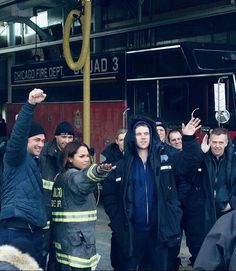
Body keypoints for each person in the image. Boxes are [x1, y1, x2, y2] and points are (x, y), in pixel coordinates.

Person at [102, 115, 202, 271]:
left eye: (146, 133)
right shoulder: (122, 166)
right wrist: (117, 218)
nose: (143, 137)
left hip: (158, 233)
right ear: (133, 137)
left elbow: (190, 164)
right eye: (139, 134)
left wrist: (189, 138)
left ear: (152, 135)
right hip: (132, 233)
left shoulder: (166, 159)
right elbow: (109, 194)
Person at [51, 141, 115, 271]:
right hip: (76, 248)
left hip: (66, 244)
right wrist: (99, 170)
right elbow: (84, 178)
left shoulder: (61, 176)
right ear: (69, 158)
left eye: (87, 156)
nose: (87, 159)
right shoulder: (72, 177)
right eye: (81, 156)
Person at [0, 88, 47, 267]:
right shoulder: (15, 157)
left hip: (32, 231)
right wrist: (30, 106)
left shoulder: (33, 162)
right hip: (15, 230)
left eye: (43, 141)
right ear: (26, 141)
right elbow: (18, 136)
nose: (41, 144)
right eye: (36, 140)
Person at [40, 121, 75, 270]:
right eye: (63, 136)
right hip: (44, 216)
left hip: (62, 216)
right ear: (56, 137)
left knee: (58, 256)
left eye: (70, 137)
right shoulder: (44, 153)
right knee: (40, 254)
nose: (66, 141)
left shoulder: (73, 152)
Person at [101, 128, 127, 271]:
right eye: (121, 139)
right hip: (118, 220)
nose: (124, 142)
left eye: (126, 139)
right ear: (116, 141)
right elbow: (108, 194)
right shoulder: (110, 160)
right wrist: (116, 217)